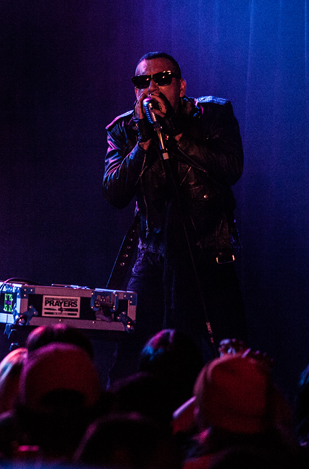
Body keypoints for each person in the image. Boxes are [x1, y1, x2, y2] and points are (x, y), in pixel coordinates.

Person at [103, 52, 246, 376]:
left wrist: (174, 136)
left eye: (161, 79)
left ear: (180, 86)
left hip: (209, 253)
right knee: (130, 355)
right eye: (142, 82)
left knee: (230, 356)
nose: (151, 88)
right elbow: (113, 192)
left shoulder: (212, 115)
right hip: (154, 257)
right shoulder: (124, 131)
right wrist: (144, 142)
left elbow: (231, 167)